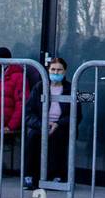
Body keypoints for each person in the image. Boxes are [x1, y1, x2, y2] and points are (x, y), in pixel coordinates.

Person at [24, 56, 80, 185]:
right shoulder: (39, 87)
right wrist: (42, 124)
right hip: (41, 125)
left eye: (59, 70)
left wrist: (58, 124)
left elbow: (78, 114)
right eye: (53, 69)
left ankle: (57, 176)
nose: (55, 73)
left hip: (62, 126)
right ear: (48, 71)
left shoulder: (72, 88)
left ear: (65, 71)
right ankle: (30, 176)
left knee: (57, 137)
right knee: (33, 137)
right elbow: (28, 112)